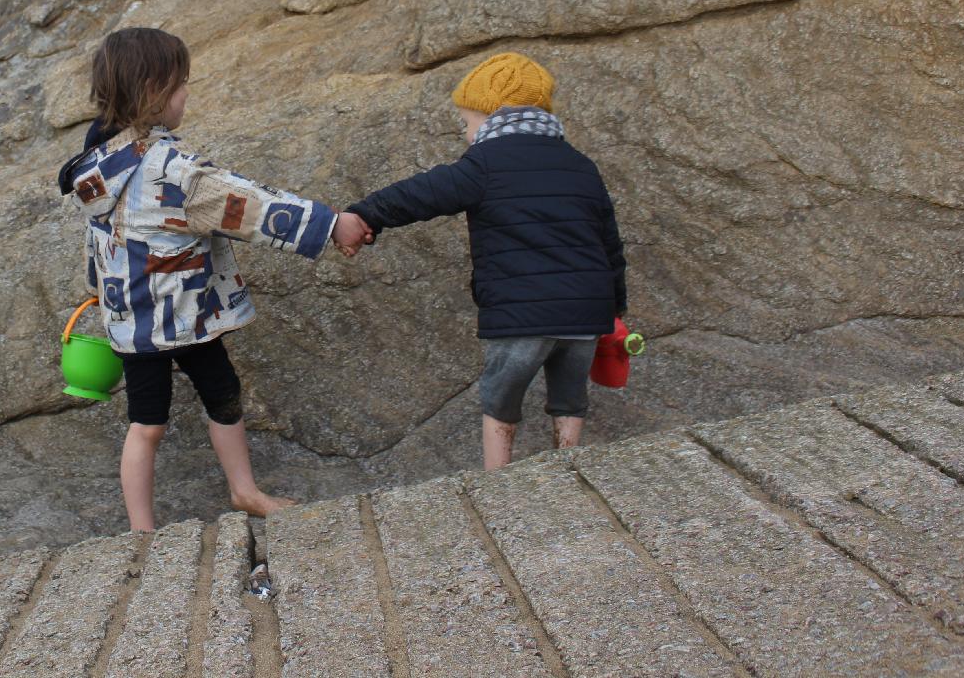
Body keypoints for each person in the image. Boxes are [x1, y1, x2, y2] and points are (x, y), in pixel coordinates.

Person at [57, 27, 372, 531]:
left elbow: (99, 238)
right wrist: (330, 223)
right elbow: (248, 205)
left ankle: (222, 499)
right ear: (155, 91)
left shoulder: (93, 164)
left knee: (165, 416)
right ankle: (153, 525)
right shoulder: (172, 170)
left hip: (146, 319)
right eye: (182, 84)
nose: (187, 94)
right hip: (179, 314)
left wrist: (98, 288)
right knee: (164, 417)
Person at [336, 52, 626, 470]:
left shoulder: (485, 163)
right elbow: (609, 242)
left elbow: (423, 193)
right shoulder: (581, 165)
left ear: (493, 115)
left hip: (522, 314)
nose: (466, 132)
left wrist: (364, 215)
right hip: (586, 314)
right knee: (569, 396)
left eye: (468, 121)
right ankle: (569, 466)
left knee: (501, 397)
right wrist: (615, 307)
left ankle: (497, 481)